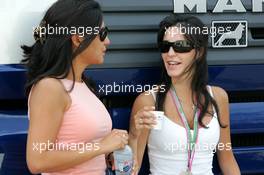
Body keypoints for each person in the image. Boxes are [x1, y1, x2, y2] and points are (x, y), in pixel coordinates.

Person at [22, 0, 128, 174]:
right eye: (103, 33)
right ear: (79, 38)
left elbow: (83, 149)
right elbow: (37, 160)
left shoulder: (83, 85)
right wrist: (101, 146)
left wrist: (108, 154)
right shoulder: (50, 87)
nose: (107, 41)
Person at [129, 14, 241, 175]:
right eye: (165, 46)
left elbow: (227, 160)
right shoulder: (148, 101)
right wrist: (133, 136)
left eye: (181, 46)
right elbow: (131, 169)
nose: (170, 53)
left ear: (199, 52)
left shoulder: (218, 97)